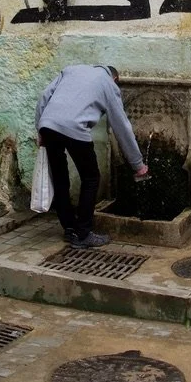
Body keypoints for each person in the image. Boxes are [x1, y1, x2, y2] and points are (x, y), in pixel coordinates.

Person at [36, 64, 149, 249]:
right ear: (115, 79)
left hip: (48, 125)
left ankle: (70, 229)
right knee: (91, 178)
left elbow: (44, 97)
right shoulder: (108, 84)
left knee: (60, 177)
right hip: (75, 128)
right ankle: (83, 234)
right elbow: (121, 126)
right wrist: (138, 164)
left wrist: (40, 129)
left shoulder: (72, 69)